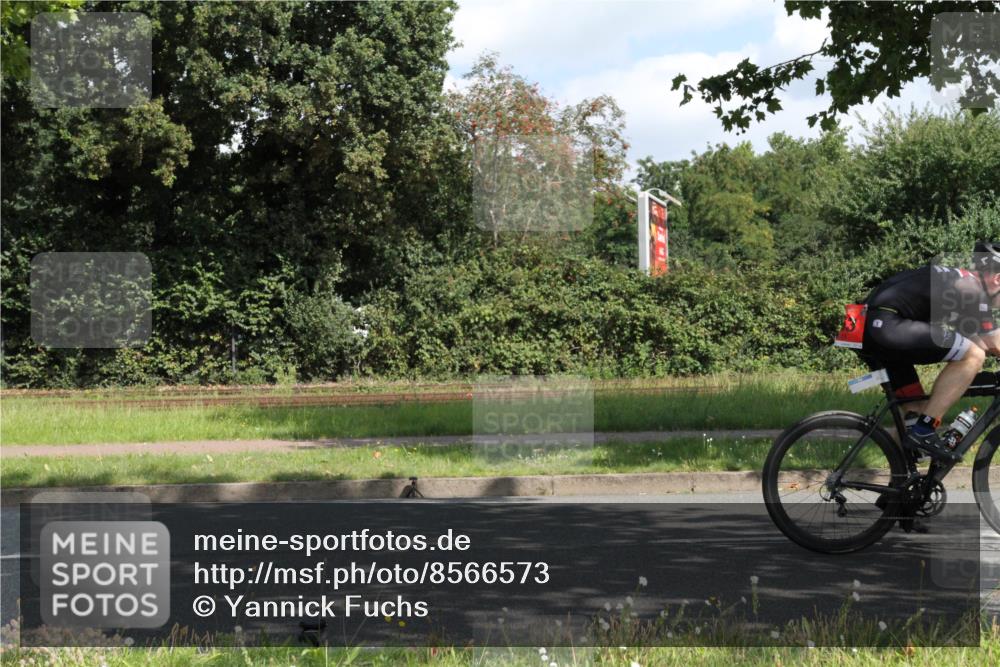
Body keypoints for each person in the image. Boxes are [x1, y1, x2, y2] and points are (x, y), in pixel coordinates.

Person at [859, 241, 1000, 462]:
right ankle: (925, 430)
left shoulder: (959, 283)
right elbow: (992, 344)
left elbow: (979, 340)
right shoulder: (973, 289)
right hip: (887, 325)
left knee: (915, 411)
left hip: (869, 327)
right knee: (973, 356)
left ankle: (899, 485)